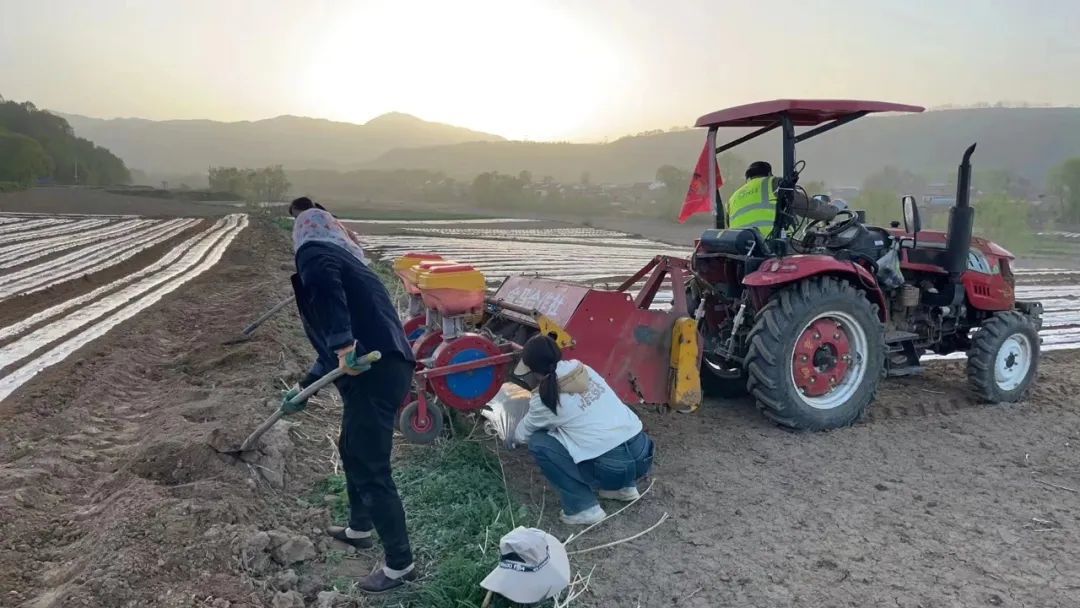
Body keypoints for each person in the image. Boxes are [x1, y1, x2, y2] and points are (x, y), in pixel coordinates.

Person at [286, 205, 417, 593]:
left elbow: (335, 320)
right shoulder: (356, 264)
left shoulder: (316, 253)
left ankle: (400, 565)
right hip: (383, 368)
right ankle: (360, 528)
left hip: (373, 372)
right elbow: (334, 346)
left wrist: (343, 345)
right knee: (351, 449)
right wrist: (303, 388)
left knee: (368, 463)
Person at [512, 335, 655, 525]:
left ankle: (583, 508)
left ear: (534, 371)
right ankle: (624, 488)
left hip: (614, 467)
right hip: (643, 454)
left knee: (539, 442)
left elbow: (522, 435)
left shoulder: (544, 399)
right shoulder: (582, 369)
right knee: (599, 426)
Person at [727, 161, 837, 234]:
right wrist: (833, 210)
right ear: (769, 173)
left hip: (743, 248)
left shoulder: (733, 197)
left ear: (748, 177)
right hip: (771, 244)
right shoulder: (774, 183)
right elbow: (808, 206)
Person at [288, 196, 367, 254]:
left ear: (295, 208)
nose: (297, 220)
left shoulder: (310, 223)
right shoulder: (327, 219)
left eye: (296, 217)